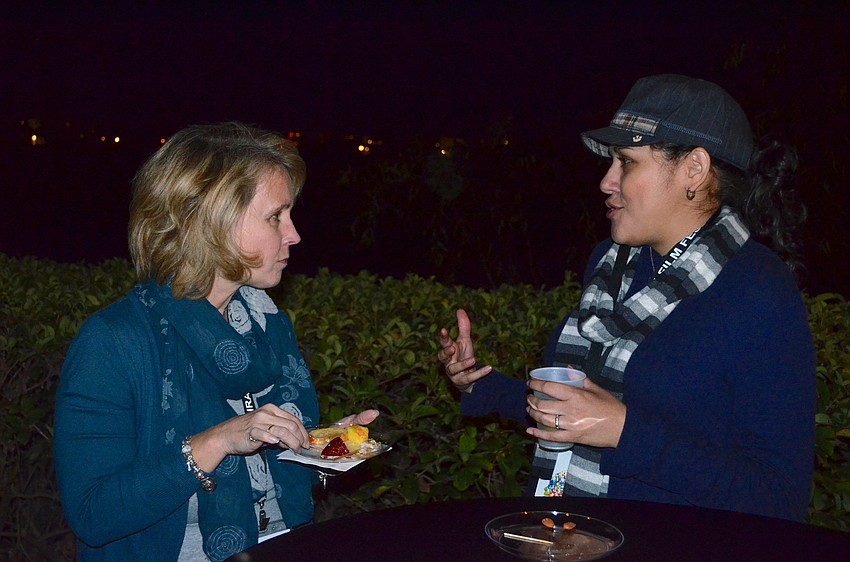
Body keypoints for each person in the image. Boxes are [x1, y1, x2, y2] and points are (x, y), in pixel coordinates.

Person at [437, 74, 815, 521]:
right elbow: (580, 409)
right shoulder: (611, 264)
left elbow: (779, 497)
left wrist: (624, 432)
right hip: (565, 531)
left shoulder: (758, 292)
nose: (606, 181)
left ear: (693, 169)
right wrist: (481, 383)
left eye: (626, 162)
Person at [54, 122, 379, 561]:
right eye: (274, 217)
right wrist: (217, 441)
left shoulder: (267, 325)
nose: (294, 234)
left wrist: (321, 448)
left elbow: (266, 464)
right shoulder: (115, 342)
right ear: (211, 222)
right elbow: (93, 515)